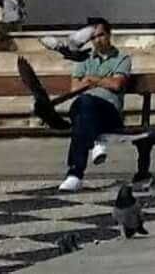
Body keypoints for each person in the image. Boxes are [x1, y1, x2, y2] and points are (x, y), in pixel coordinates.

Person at [54, 20, 132, 190]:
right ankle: (96, 142)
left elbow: (117, 84)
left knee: (84, 110)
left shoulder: (122, 58)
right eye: (94, 37)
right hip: (83, 107)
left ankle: (75, 174)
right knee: (84, 104)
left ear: (109, 35)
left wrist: (92, 79)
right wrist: (103, 80)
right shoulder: (83, 58)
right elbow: (74, 88)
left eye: (101, 35)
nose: (98, 40)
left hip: (109, 112)